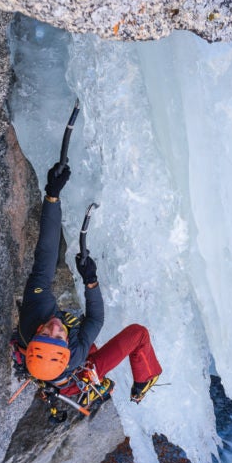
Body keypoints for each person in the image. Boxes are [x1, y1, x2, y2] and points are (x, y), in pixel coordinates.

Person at [16, 161, 162, 404]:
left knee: (84, 337)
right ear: (67, 347)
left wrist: (52, 195)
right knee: (138, 335)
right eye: (59, 336)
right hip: (74, 374)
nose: (54, 326)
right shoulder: (75, 355)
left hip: (53, 366)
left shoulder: (35, 310)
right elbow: (95, 319)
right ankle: (145, 379)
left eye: (45, 332)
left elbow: (46, 254)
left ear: (35, 334)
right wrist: (91, 281)